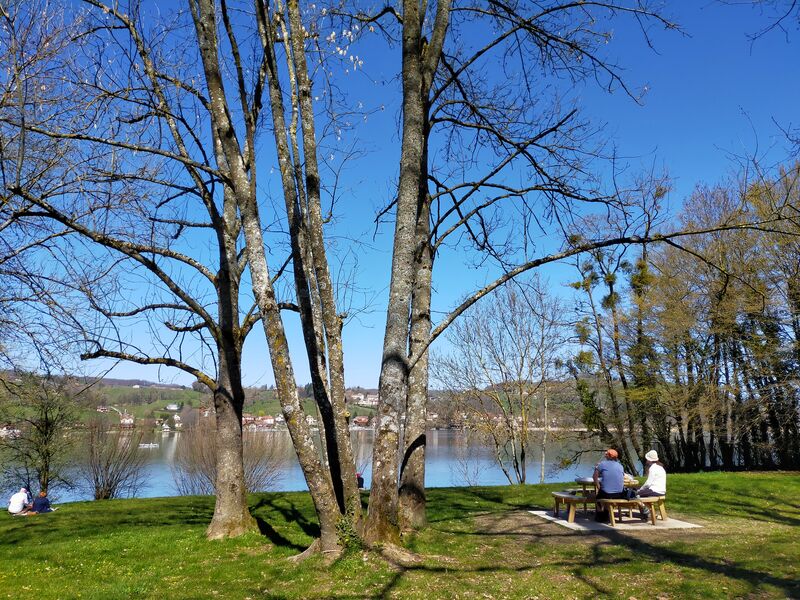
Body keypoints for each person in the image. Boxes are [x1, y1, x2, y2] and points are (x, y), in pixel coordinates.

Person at [593, 449, 626, 522]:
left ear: (609, 456)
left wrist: (598, 486)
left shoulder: (602, 464)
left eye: (606, 454)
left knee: (598, 497)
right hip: (619, 494)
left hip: (607, 493)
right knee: (606, 494)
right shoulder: (620, 466)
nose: (605, 455)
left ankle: (599, 515)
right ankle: (606, 514)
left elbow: (595, 477)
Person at [637, 450, 666, 520]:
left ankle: (646, 511)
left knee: (635, 494)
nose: (646, 461)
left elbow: (648, 483)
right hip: (662, 490)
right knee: (640, 493)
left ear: (649, 460)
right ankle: (647, 511)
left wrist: (640, 489)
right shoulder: (660, 467)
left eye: (647, 459)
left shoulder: (652, 468)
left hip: (654, 490)